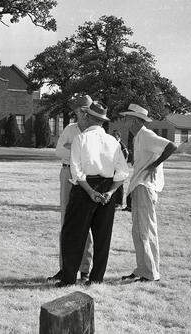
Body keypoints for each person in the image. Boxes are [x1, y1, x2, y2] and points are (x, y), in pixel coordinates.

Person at [56, 101, 129, 287]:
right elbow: (122, 172)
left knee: (73, 235)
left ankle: (69, 279)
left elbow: (76, 171)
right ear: (103, 122)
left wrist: (89, 191)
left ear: (88, 117)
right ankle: (96, 278)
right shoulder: (113, 141)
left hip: (84, 188)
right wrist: (111, 192)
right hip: (107, 189)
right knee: (103, 237)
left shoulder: (81, 139)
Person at [120, 104, 176, 283]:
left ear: (136, 120)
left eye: (128, 118)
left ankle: (151, 273)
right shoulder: (138, 137)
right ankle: (142, 269)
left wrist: (155, 164)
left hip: (145, 187)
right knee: (138, 231)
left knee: (146, 230)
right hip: (139, 186)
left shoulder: (147, 135)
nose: (126, 121)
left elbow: (171, 146)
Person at [48, 94, 94, 283]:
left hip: (87, 176)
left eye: (85, 110)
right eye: (79, 110)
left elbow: (94, 156)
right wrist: (79, 152)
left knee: (86, 223)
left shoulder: (95, 130)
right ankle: (65, 269)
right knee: (66, 221)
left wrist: (73, 149)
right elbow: (59, 150)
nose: (81, 113)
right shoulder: (70, 128)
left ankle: (85, 269)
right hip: (68, 174)